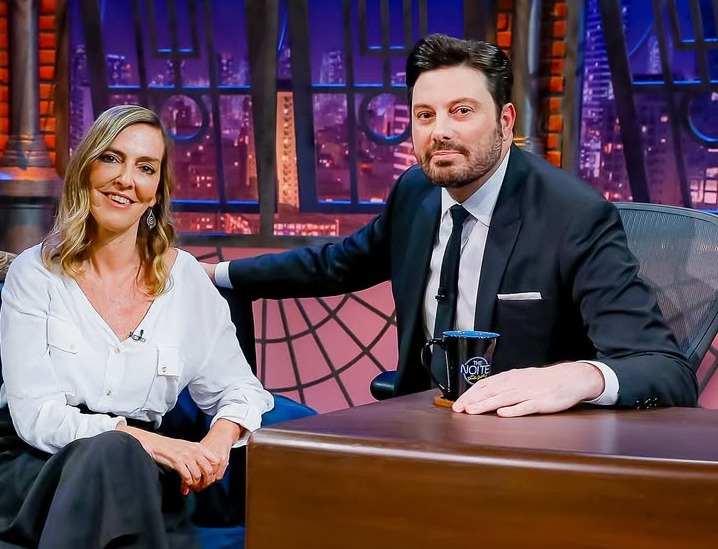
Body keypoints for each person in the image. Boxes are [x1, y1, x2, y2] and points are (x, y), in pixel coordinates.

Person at [203, 34, 698, 416]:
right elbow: (337, 264)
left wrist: (579, 377)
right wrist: (217, 274)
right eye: (425, 115)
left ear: (505, 121)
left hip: (525, 440)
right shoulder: (416, 191)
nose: (439, 131)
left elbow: (665, 369)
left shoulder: (573, 215)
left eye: (462, 111)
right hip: (419, 419)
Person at [0, 105, 273, 548]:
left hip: (140, 477)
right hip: (38, 471)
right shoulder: (35, 273)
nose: (126, 179)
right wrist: (152, 444)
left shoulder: (185, 280)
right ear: (86, 170)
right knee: (114, 452)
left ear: (155, 193)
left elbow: (241, 390)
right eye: (111, 158)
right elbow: (36, 418)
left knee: (121, 459)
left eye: (145, 168)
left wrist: (216, 443)